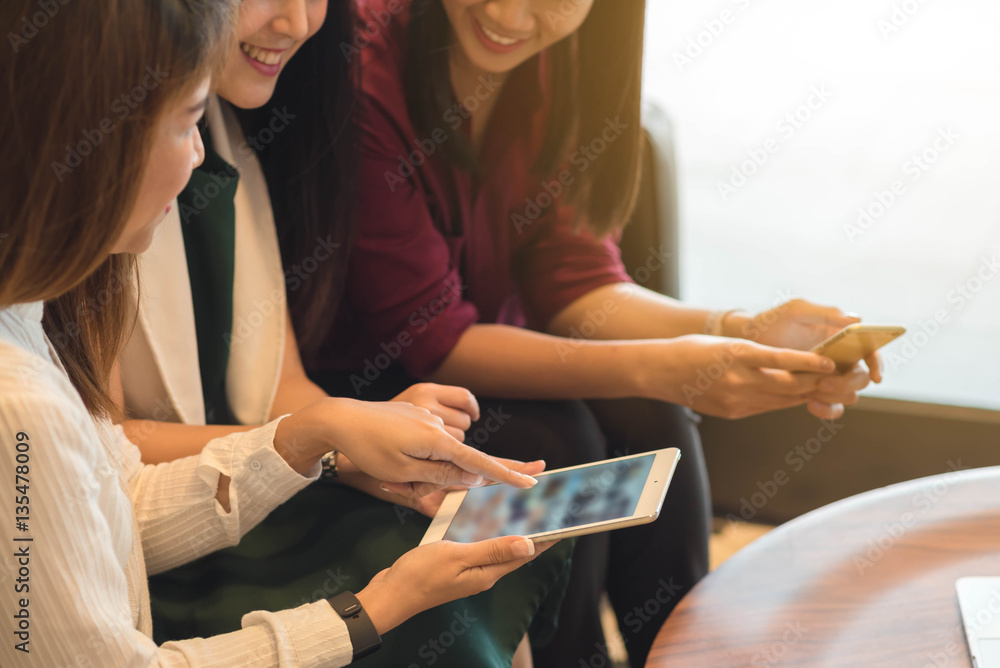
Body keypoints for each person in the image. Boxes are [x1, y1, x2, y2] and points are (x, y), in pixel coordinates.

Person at [307, 1, 883, 666]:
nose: (506, 12)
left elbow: (575, 279)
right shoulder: (366, 72)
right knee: (563, 438)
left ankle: (685, 647)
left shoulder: (564, 68)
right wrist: (666, 364)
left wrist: (738, 329)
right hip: (371, 382)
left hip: (480, 351)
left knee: (649, 411)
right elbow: (433, 339)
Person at [0, 0, 554, 664]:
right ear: (95, 134)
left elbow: (118, 500)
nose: (202, 150)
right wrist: (371, 611)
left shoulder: (28, 320)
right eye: (185, 123)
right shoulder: (24, 406)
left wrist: (316, 433)